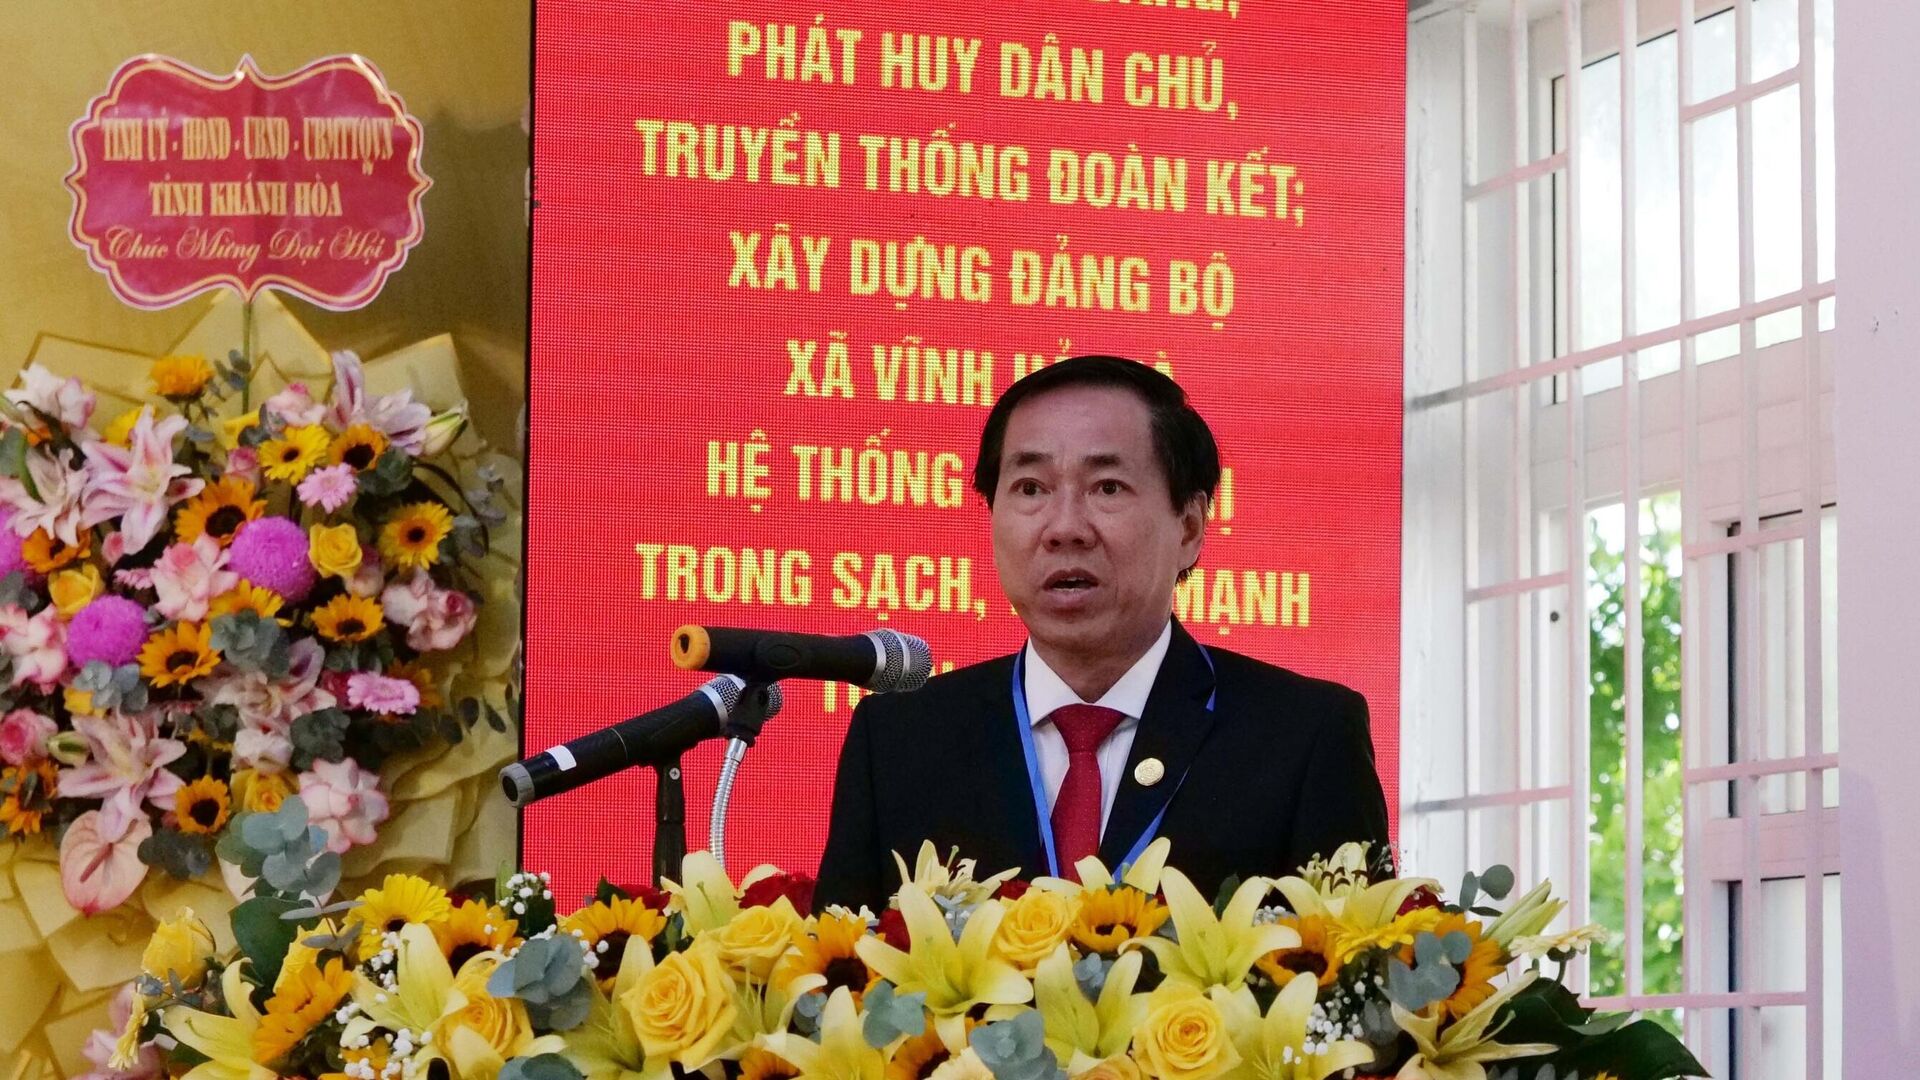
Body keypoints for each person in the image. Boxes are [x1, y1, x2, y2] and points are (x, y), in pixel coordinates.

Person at [814, 356, 1390, 911]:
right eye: (1031, 489)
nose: (1064, 528)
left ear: (1189, 528)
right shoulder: (898, 741)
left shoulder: (1305, 736)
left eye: (1107, 487)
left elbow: (1356, 963)